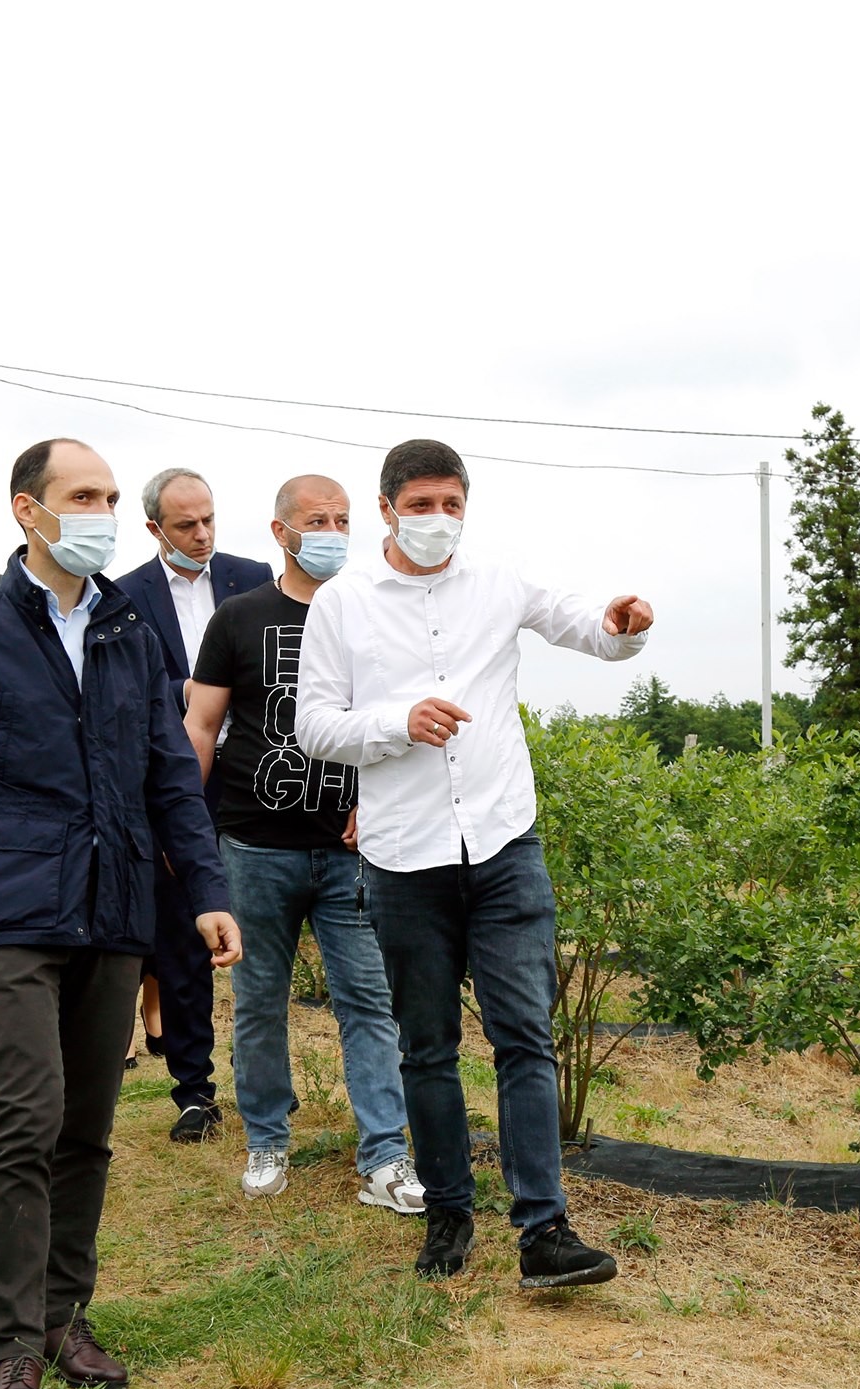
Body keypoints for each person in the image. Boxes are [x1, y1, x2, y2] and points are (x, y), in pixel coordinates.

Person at [0, 437, 240, 1389]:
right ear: (29, 509)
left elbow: (170, 772)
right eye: (82, 495)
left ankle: (62, 1314)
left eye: (108, 495)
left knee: (87, 1126)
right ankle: (10, 1345)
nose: (100, 511)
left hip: (116, 907)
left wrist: (205, 888)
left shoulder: (130, 629)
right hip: (9, 911)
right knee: (22, 1117)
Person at [295, 439, 654, 1289]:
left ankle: (545, 1230)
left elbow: (585, 623)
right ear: (386, 509)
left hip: (502, 843)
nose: (437, 519)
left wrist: (622, 626)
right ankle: (449, 1216)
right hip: (404, 855)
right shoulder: (343, 603)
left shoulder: (498, 581)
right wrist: (396, 723)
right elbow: (314, 725)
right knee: (426, 1046)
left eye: (450, 504)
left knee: (525, 1036)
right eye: (420, 505)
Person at [184, 474, 424, 1213]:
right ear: (281, 531)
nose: (333, 533)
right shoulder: (238, 617)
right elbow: (201, 725)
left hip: (351, 847)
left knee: (369, 1001)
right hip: (254, 844)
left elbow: (401, 721)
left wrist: (378, 801)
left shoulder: (372, 610)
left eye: (343, 520)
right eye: (317, 520)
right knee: (259, 999)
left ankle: (385, 1155)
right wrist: (184, 828)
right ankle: (266, 1138)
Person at [116, 468, 270, 1142]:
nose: (202, 534)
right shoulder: (124, 595)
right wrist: (196, 690)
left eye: (209, 519)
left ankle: (268, 1082)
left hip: (257, 777)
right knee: (183, 934)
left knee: (262, 929)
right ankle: (194, 1090)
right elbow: (132, 688)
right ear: (155, 528)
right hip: (179, 781)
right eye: (186, 525)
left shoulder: (252, 576)